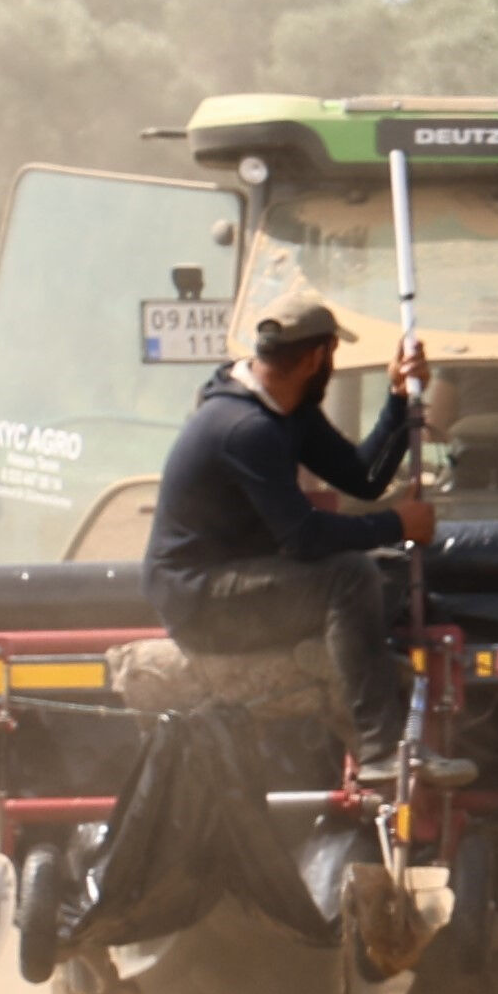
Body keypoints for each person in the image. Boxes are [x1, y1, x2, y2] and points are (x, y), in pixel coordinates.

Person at [147, 300, 446, 786]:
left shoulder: (285, 409)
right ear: (315, 359)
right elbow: (305, 538)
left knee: (381, 570)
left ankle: (381, 708)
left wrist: (397, 398)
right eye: (331, 354)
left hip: (238, 580)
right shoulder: (245, 428)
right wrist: (398, 523)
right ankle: (382, 748)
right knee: (350, 579)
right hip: (200, 600)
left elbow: (363, 477)